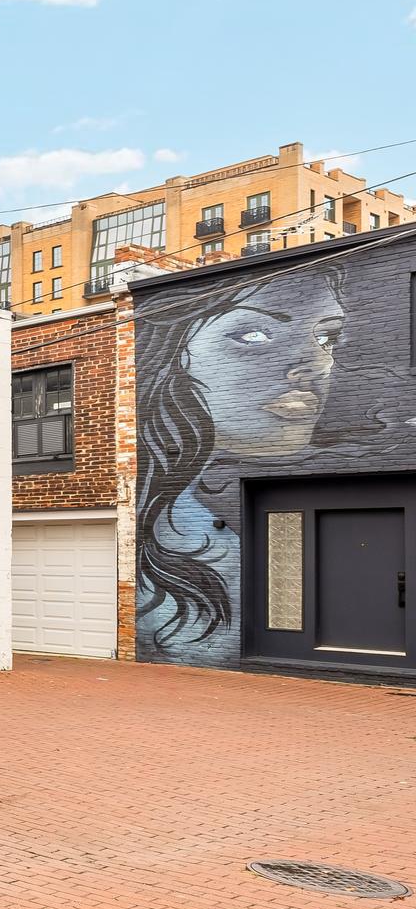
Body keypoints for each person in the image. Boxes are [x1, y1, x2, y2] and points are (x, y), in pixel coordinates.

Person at [135, 269, 345, 650]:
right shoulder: (181, 536)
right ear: (173, 355)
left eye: (328, 338)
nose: (315, 365)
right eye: (254, 336)